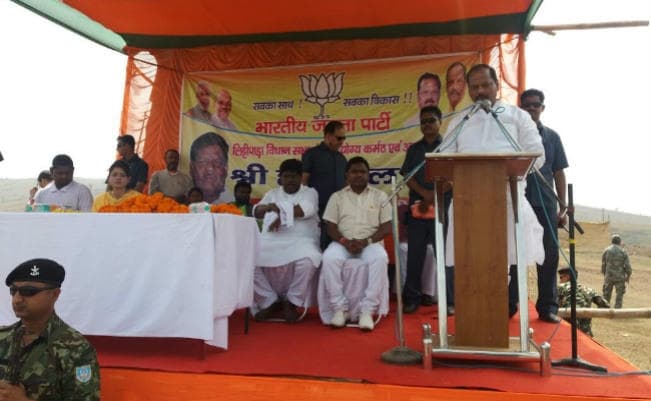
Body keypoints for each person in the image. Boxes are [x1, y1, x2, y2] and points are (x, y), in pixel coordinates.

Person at [443, 64, 545, 319]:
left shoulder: (517, 116)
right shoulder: (459, 120)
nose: (480, 91)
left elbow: (538, 156)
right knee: (471, 264)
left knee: (502, 266)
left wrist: (509, 166)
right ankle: (472, 322)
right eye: (474, 87)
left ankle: (501, 316)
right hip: (468, 203)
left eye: (485, 85)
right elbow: (443, 158)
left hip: (507, 201)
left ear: (496, 85)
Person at [0, 258, 100, 400]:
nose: (17, 299)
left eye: (28, 291)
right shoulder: (2, 338)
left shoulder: (76, 349)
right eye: (13, 291)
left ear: (54, 294)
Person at [320, 157, 392, 331]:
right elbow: (330, 226)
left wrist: (366, 241)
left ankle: (367, 310)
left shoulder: (380, 196)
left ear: (368, 174)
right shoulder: (337, 197)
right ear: (347, 175)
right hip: (343, 242)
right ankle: (339, 309)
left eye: (362, 172)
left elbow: (387, 226)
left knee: (380, 258)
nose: (359, 175)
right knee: (329, 258)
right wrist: (345, 241)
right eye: (354, 171)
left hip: (370, 242)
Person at [520, 88, 570, 323]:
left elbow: (558, 172)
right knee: (515, 254)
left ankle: (547, 307)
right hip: (518, 202)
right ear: (520, 108)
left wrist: (563, 206)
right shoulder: (513, 135)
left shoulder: (552, 137)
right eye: (527, 105)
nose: (531, 108)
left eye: (535, 104)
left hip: (546, 204)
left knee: (549, 255)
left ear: (542, 108)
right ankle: (510, 304)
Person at [252, 159, 321, 323]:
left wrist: (279, 213)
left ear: (301, 177)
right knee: (248, 260)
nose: (290, 180)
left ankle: (291, 302)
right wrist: (268, 207)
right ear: (280, 178)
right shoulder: (272, 193)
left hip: (301, 240)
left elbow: (303, 210)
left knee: (309, 260)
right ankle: (269, 301)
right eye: (286, 176)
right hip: (271, 240)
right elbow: (257, 211)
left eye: (294, 176)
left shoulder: (310, 192)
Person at [400, 105, 453, 314]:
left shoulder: (448, 147)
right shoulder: (414, 150)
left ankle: (449, 301)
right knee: (415, 255)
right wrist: (425, 194)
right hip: (419, 209)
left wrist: (434, 195)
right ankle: (411, 298)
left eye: (431, 120)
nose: (427, 125)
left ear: (440, 122)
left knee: (445, 255)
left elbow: (454, 177)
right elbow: (407, 176)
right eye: (423, 122)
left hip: (443, 209)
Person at [301, 120, 348, 249]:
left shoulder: (342, 158)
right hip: (318, 209)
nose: (342, 142)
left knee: (336, 244)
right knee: (318, 243)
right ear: (328, 136)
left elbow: (346, 184)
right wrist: (306, 205)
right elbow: (304, 181)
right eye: (339, 138)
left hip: (338, 210)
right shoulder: (312, 154)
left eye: (344, 138)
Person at [557, 267, 609, 337]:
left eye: (561, 277)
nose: (560, 281)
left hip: (567, 330)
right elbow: (605, 305)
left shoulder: (561, 287)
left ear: (567, 277)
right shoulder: (588, 289)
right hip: (585, 333)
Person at [189, 132, 233, 204]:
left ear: (226, 168)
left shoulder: (232, 203)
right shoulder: (183, 203)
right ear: (191, 168)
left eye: (217, 162)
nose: (210, 168)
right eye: (203, 162)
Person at [601, 234, 633, 308]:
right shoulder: (623, 251)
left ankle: (604, 310)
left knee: (606, 295)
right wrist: (628, 276)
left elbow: (603, 264)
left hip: (609, 276)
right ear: (619, 242)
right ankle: (617, 310)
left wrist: (605, 274)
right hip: (620, 277)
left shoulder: (607, 250)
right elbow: (628, 266)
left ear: (612, 241)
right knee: (619, 296)